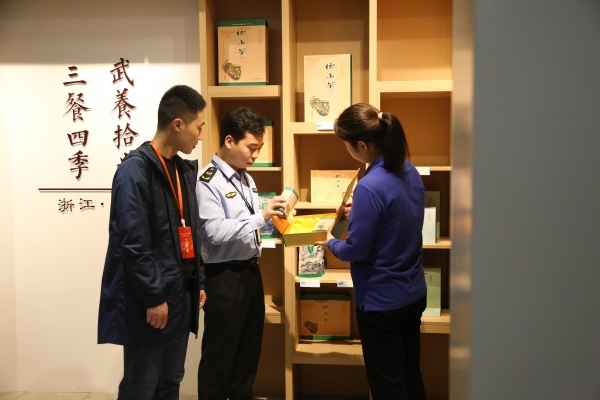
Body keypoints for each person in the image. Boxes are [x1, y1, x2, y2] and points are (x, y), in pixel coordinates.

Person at [98, 85, 208, 400]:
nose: (200, 136)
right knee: (141, 385)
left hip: (180, 297)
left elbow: (192, 232)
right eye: (199, 127)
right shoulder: (135, 170)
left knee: (171, 381)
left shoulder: (182, 169)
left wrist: (198, 281)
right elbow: (134, 243)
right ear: (178, 125)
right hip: (153, 302)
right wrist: (153, 296)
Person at [315, 103, 428, 400]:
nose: (347, 149)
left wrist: (328, 240)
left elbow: (354, 250)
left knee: (387, 384)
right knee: (410, 373)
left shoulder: (368, 187)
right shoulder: (409, 170)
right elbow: (397, 218)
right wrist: (360, 212)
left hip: (381, 302)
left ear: (363, 146)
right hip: (413, 291)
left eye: (347, 144)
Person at [195, 107, 286, 400]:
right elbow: (215, 232)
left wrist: (275, 218)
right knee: (219, 356)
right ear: (230, 141)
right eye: (252, 147)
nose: (256, 155)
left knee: (248, 352)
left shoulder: (246, 177)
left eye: (259, 148)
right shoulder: (207, 181)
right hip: (224, 277)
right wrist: (261, 217)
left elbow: (247, 225)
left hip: (250, 271)